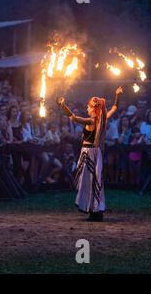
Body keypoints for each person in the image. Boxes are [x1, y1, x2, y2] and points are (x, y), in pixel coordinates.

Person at [56, 86, 123, 222]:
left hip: (89, 153)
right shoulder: (103, 119)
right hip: (95, 153)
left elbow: (73, 117)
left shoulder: (92, 121)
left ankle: (95, 211)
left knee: (89, 181)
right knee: (95, 181)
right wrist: (117, 95)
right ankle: (95, 211)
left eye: (88, 106)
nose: (87, 108)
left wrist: (63, 105)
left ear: (93, 109)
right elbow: (115, 108)